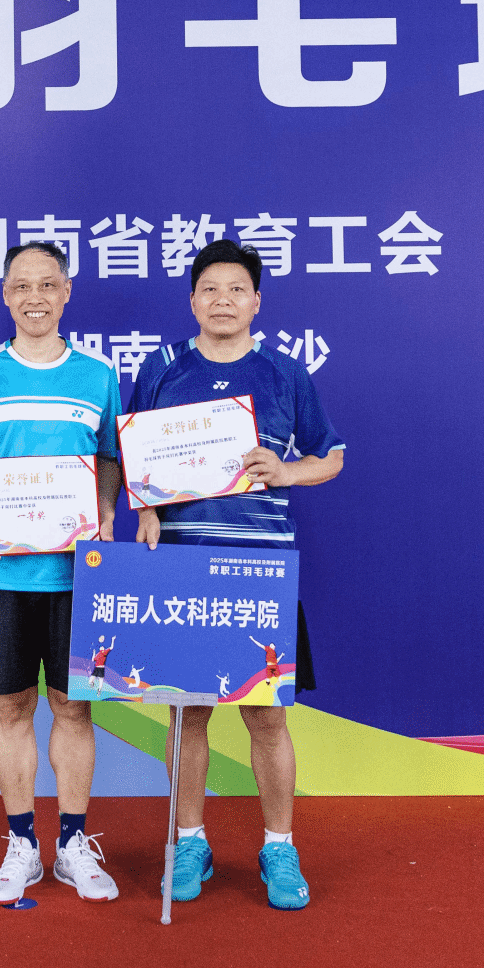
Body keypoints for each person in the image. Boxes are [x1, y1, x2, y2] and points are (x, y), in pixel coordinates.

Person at [130, 239, 344, 911]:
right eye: (210, 289)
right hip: (182, 568)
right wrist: (145, 509)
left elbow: (331, 454)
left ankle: (279, 846)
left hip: (260, 570)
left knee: (266, 718)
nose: (222, 300)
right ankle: (189, 841)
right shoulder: (163, 368)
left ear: (256, 302)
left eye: (236, 290)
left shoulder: (284, 373)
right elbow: (134, 459)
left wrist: (289, 470)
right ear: (192, 300)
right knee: (187, 714)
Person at [0, 241, 121, 905]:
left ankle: (71, 843)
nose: (35, 297)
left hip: (77, 576)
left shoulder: (98, 374)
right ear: (6, 295)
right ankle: (22, 845)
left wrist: (105, 512)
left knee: (74, 708)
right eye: (22, 285)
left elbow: (109, 459)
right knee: (12, 706)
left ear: (67, 292)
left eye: (48, 284)